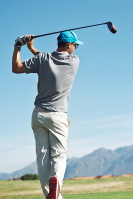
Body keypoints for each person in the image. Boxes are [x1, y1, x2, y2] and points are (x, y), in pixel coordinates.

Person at [12, 31, 83, 199]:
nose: (76, 48)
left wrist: (19, 46)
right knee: (59, 155)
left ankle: (51, 196)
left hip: (38, 115)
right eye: (75, 45)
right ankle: (56, 182)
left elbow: (16, 68)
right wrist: (33, 48)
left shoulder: (42, 60)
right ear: (69, 44)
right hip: (58, 116)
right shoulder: (74, 62)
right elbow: (47, 59)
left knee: (42, 156)